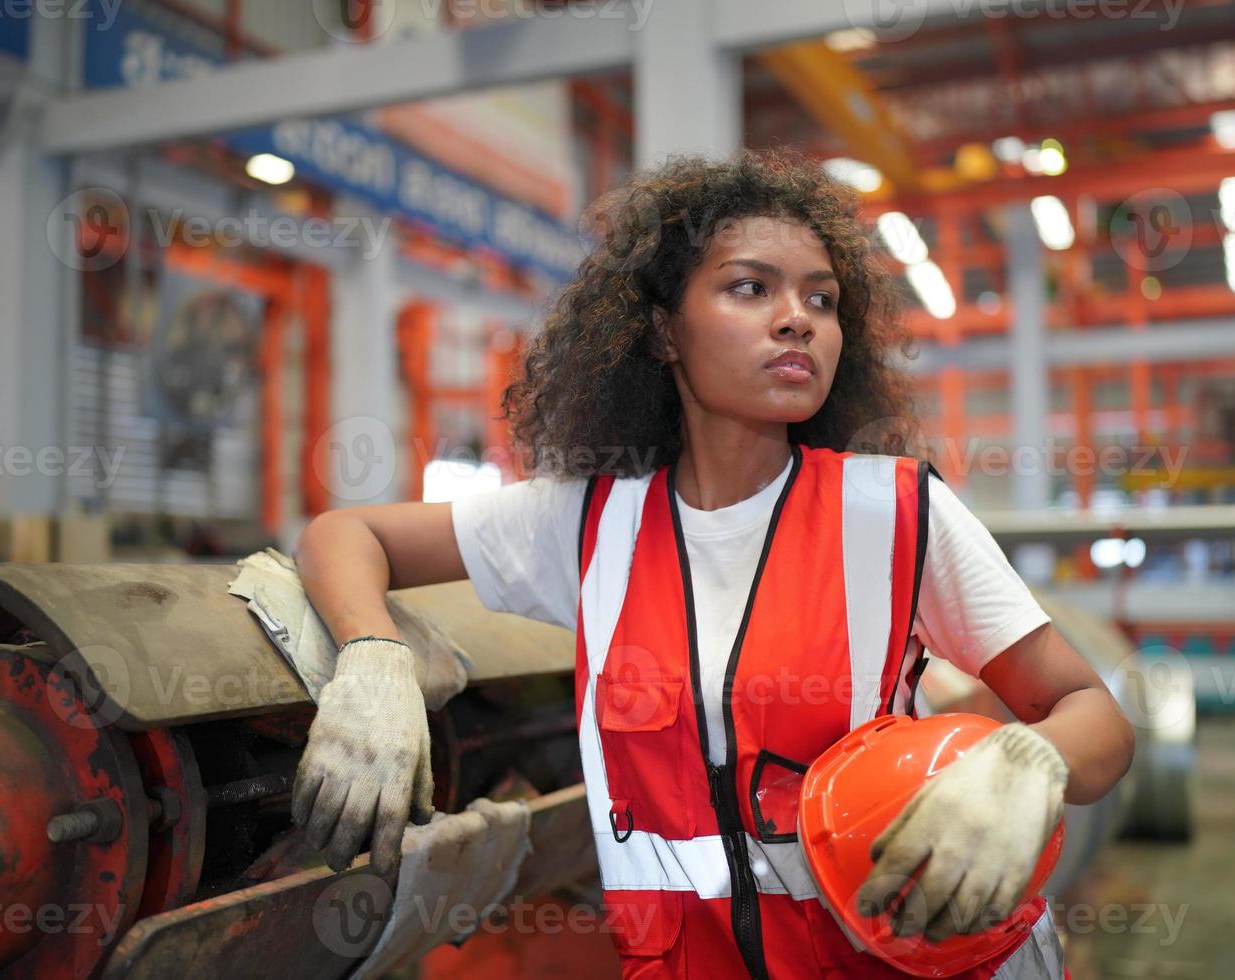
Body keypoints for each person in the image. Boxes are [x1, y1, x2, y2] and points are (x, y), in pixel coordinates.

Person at [290, 151, 1135, 978]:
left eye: (822, 298)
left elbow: (1092, 713)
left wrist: (1034, 765)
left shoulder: (895, 512)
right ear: (662, 330)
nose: (797, 317)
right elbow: (343, 535)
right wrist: (374, 664)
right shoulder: (587, 522)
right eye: (749, 287)